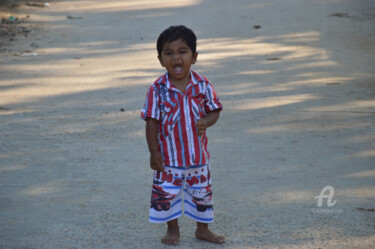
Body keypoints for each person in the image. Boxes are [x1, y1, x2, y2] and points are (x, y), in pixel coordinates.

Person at [141, 25, 225, 245]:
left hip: (198, 157)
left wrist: (206, 121)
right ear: (160, 60)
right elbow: (151, 121)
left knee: (201, 194)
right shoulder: (157, 89)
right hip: (169, 159)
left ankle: (203, 229)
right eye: (169, 53)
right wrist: (153, 152)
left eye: (183, 52)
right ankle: (173, 230)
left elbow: (215, 110)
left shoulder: (203, 85)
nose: (176, 58)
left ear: (194, 57)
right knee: (167, 195)